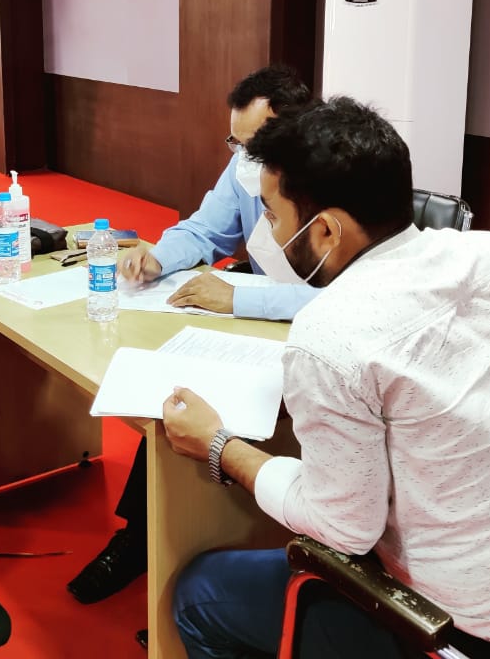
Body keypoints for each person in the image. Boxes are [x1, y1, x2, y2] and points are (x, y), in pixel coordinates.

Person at [163, 97, 490, 659]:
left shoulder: (330, 333)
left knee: (197, 595)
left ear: (326, 230)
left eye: (272, 214)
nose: (267, 229)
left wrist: (219, 446)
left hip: (448, 629)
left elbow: (344, 529)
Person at [67, 66, 318, 607]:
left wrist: (240, 299)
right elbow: (205, 229)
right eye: (236, 143)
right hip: (261, 322)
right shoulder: (245, 167)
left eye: (254, 144)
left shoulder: (330, 180)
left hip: (317, 340)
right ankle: (143, 537)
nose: (243, 156)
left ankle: (188, 552)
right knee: (175, 388)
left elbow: (342, 296)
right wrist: (158, 257)